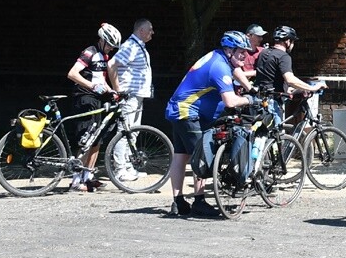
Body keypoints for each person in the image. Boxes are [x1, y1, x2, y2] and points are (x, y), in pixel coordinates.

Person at [164, 31, 255, 217]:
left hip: (179, 109)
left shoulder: (219, 57)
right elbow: (230, 101)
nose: (244, 56)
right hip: (189, 113)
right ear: (229, 50)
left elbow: (236, 70)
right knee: (202, 156)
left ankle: (178, 202)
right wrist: (249, 99)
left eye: (246, 52)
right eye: (241, 52)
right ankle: (199, 201)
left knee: (181, 156)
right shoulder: (219, 67)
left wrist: (250, 87)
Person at [65, 23, 122, 191]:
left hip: (96, 99)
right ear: (102, 41)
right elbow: (72, 74)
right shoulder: (89, 52)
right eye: (110, 44)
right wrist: (91, 86)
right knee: (86, 139)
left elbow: (100, 78)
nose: (112, 48)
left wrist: (112, 91)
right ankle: (76, 181)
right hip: (84, 98)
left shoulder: (104, 56)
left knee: (96, 139)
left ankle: (88, 176)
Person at [108, 18, 154, 183]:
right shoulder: (131, 46)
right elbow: (112, 64)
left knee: (133, 131)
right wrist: (118, 89)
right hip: (129, 95)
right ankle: (120, 169)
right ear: (141, 31)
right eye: (150, 29)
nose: (152, 33)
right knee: (124, 132)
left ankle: (128, 166)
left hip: (137, 95)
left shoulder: (138, 46)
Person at [254, 26, 325, 118]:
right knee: (276, 131)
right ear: (287, 41)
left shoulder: (264, 53)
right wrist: (312, 88)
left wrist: (290, 89)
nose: (293, 44)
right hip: (272, 102)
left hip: (259, 99)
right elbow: (290, 79)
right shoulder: (283, 56)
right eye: (293, 41)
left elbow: (269, 77)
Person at [234, 24, 266, 92]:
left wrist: (241, 75)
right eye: (258, 36)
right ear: (248, 36)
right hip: (239, 89)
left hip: (257, 89)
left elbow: (265, 71)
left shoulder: (263, 52)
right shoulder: (239, 52)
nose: (261, 39)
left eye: (261, 36)